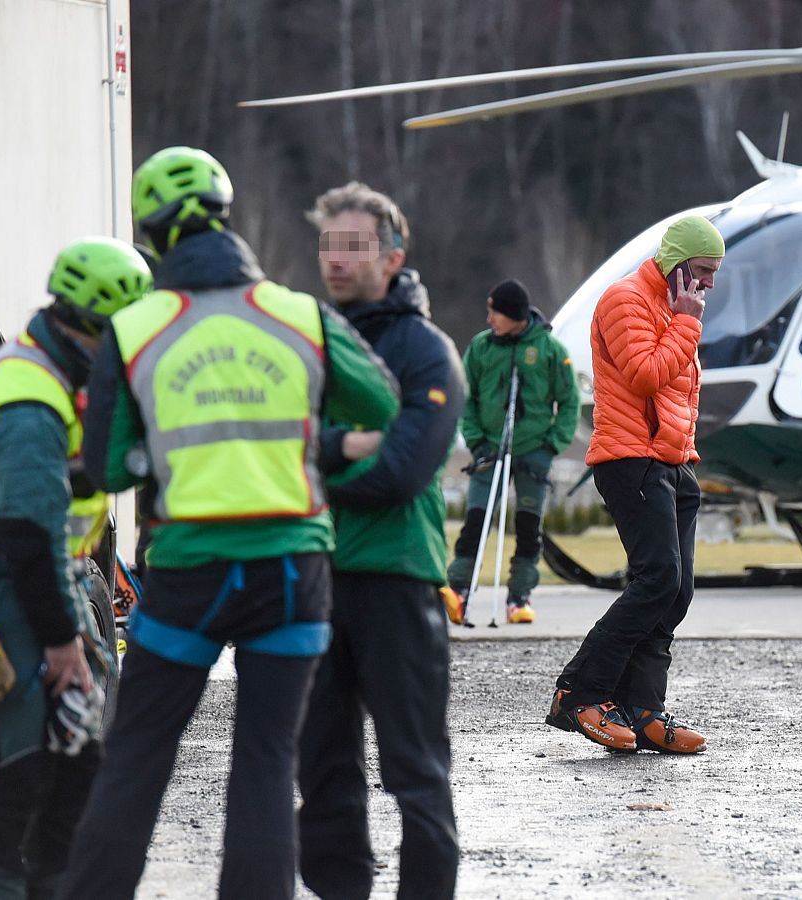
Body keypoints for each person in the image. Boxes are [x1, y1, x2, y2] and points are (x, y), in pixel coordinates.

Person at [57, 147, 398, 900]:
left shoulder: (134, 329)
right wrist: (307, 441)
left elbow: (108, 469)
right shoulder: (300, 315)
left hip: (189, 570)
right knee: (268, 765)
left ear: (152, 236)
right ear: (225, 215)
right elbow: (380, 401)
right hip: (292, 569)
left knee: (138, 756)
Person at [0, 237, 148, 899]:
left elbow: (69, 487)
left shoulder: (67, 370)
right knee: (20, 763)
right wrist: (61, 641)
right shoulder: (28, 390)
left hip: (47, 577)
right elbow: (25, 525)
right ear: (101, 325)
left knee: (81, 752)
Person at [295, 181, 465, 899]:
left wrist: (310, 468)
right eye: (329, 244)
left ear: (394, 256)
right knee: (323, 773)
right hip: (315, 581)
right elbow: (273, 445)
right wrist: (340, 445)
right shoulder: (303, 339)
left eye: (355, 245)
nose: (337, 260)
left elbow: (401, 471)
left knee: (415, 770)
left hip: (398, 581)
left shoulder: (427, 353)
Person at [546, 214, 724, 754]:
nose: (708, 285)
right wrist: (688, 322)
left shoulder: (672, 308)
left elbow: (679, 389)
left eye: (713, 274)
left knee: (675, 590)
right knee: (656, 579)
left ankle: (644, 709)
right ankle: (580, 694)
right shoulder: (624, 300)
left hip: (673, 461)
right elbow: (646, 373)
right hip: (631, 458)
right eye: (701, 271)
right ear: (674, 265)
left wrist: (684, 453)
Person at [447, 278, 579, 624]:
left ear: (515, 315)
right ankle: (458, 591)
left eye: (496, 313)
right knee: (476, 521)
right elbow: (466, 398)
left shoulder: (550, 349)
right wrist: (475, 443)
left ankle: (519, 598)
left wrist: (552, 445)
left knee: (527, 527)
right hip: (488, 449)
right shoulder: (480, 347)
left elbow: (569, 402)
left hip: (534, 449)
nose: (490, 319)